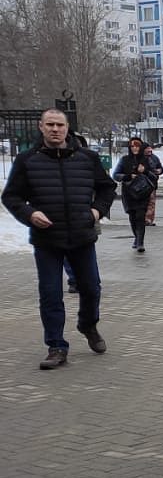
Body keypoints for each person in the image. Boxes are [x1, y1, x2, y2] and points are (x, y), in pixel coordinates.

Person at [2, 107, 116, 369]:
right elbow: (11, 197)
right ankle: (56, 346)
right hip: (47, 240)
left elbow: (107, 188)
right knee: (50, 294)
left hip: (82, 236)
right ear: (41, 127)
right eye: (50, 124)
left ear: (67, 128)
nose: (55, 129)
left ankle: (88, 325)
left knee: (91, 289)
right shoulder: (27, 160)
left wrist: (97, 211)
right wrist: (30, 214)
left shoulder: (87, 158)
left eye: (60, 125)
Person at [113, 136, 161, 253]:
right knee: (132, 217)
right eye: (132, 146)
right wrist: (127, 176)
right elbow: (116, 175)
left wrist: (145, 171)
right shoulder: (124, 160)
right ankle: (136, 237)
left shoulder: (147, 160)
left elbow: (154, 176)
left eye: (137, 146)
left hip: (143, 193)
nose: (135, 148)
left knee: (140, 216)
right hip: (129, 193)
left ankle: (140, 242)